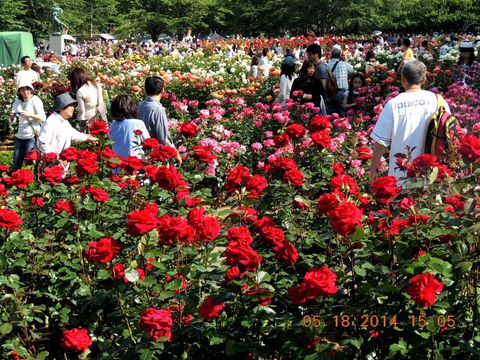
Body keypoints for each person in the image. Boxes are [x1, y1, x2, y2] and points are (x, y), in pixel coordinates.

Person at [369, 60, 451, 182]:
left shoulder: (394, 105)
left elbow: (380, 144)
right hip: (432, 174)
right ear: (424, 80)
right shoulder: (438, 101)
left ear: (402, 79)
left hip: (402, 175)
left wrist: (372, 172)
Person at [38, 93, 98, 161]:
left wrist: (87, 138)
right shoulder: (51, 122)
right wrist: (55, 157)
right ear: (62, 108)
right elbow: (42, 143)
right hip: (51, 164)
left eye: (73, 106)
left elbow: (72, 133)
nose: (73, 108)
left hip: (60, 163)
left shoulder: (63, 121)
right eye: (70, 105)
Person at [137, 76, 182, 164]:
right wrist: (176, 153)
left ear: (145, 89)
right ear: (162, 90)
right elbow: (163, 137)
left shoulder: (140, 106)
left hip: (141, 151)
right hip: (156, 155)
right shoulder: (158, 109)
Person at [9, 82, 46, 171]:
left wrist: (28, 114)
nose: (25, 92)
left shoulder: (35, 100)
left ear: (31, 90)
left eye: (27, 89)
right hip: (20, 136)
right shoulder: (17, 102)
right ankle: (16, 181)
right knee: (16, 163)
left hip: (32, 136)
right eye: (22, 90)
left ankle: (34, 181)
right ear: (19, 91)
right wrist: (11, 116)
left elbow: (42, 117)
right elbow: (12, 122)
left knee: (31, 163)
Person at [327, 46, 354, 114]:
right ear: (340, 55)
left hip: (331, 92)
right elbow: (352, 70)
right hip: (342, 92)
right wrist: (344, 60)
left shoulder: (327, 65)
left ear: (331, 55)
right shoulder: (344, 64)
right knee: (342, 112)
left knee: (332, 113)